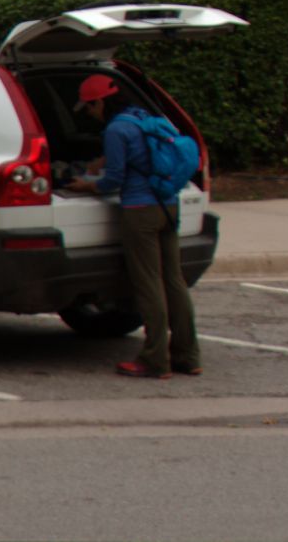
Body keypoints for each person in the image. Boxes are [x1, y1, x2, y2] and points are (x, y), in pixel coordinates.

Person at [63, 73, 200, 379]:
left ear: (100, 101)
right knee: (174, 281)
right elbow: (140, 155)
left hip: (140, 211)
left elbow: (115, 180)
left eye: (89, 108)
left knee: (148, 284)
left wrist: (86, 185)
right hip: (168, 204)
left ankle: (154, 360)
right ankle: (188, 356)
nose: (90, 114)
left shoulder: (115, 129)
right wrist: (104, 161)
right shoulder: (142, 116)